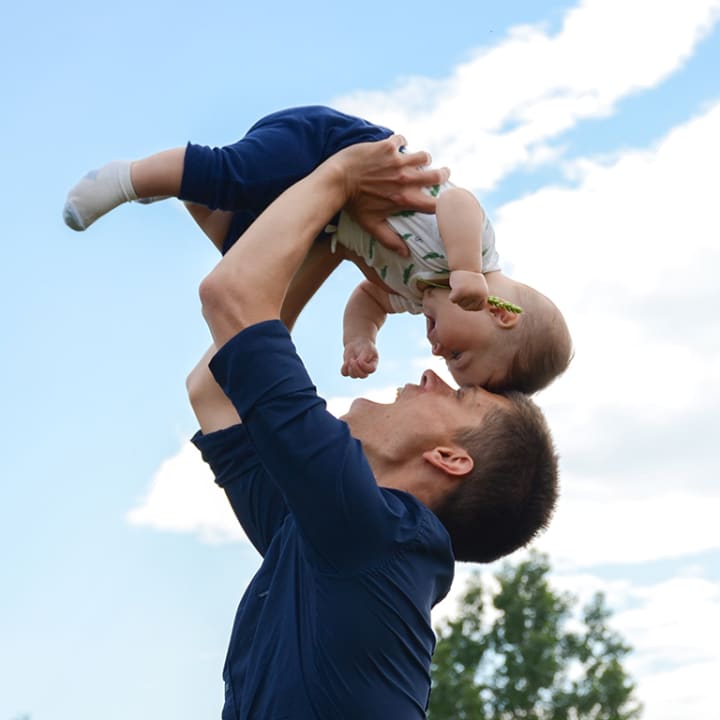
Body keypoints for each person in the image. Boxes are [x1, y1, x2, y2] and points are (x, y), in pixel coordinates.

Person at [187, 134, 559, 718]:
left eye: (459, 394)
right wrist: (332, 239)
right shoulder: (332, 536)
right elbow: (215, 389)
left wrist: (342, 178)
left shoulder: (376, 534)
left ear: (450, 459)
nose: (432, 374)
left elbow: (229, 297)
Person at [63, 106, 572, 393]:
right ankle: (129, 178)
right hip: (334, 148)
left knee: (247, 250)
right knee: (235, 176)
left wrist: (360, 337)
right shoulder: (473, 255)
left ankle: (183, 184)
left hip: (328, 209)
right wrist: (465, 269)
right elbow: (459, 202)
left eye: (447, 361)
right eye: (458, 354)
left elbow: (368, 298)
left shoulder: (417, 295)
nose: (437, 351)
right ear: (501, 314)